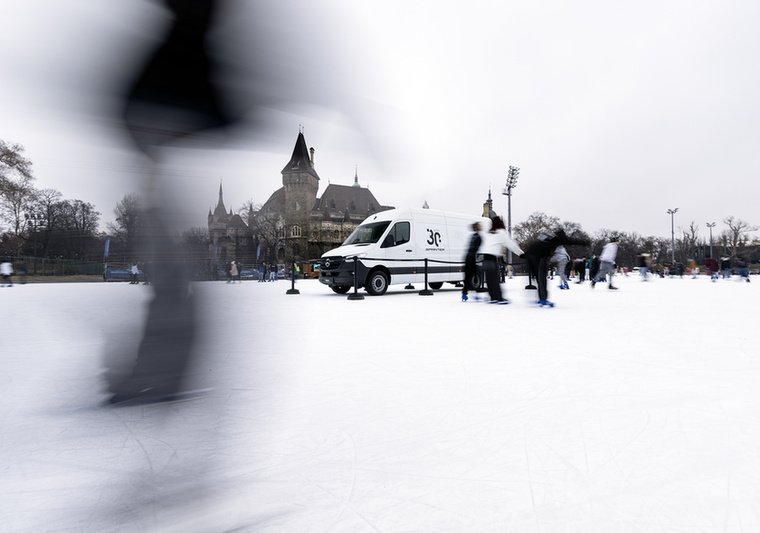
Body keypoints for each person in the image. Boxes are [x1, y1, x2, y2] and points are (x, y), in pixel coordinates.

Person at [524, 229, 590, 307]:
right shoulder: (559, 238)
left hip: (530, 255)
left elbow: (535, 243)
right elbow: (571, 241)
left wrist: (525, 254)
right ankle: (543, 299)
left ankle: (541, 297)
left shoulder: (548, 236)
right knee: (542, 278)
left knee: (538, 278)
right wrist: (584, 242)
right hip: (540, 256)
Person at [479, 216, 523, 304]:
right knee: (495, 279)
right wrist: (521, 253)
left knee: (489, 279)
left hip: (484, 258)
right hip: (492, 258)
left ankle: (493, 297)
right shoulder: (501, 233)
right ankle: (499, 298)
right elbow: (510, 244)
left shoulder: (488, 233)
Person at [461, 221, 482, 302]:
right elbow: (479, 248)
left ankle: (464, 294)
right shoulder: (479, 237)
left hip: (467, 257)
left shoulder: (472, 236)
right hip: (472, 258)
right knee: (474, 275)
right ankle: (476, 294)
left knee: (468, 276)